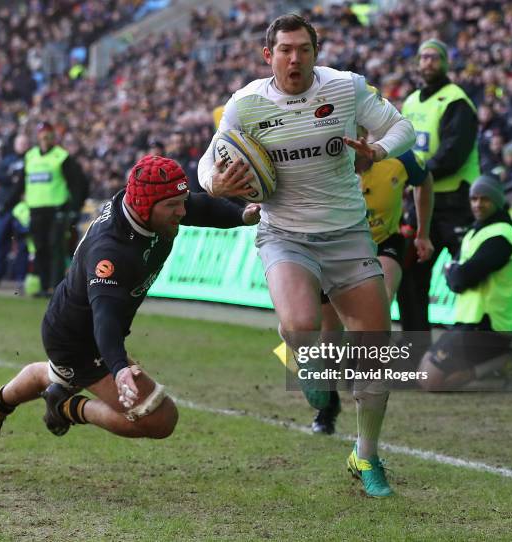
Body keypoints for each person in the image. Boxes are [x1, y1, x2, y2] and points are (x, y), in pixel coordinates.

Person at [198, 14, 416, 497]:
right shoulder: (247, 103)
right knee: (298, 326)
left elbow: (405, 130)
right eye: (285, 50)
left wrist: (376, 151)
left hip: (348, 234)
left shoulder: (345, 88)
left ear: (316, 51)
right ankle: (311, 370)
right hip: (285, 234)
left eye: (303, 49)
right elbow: (206, 163)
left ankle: (366, 454)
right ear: (267, 55)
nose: (294, 58)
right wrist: (215, 183)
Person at [0, 155, 261, 458]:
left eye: (181, 201)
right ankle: (67, 407)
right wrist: (118, 369)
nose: (181, 212)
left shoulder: (149, 206)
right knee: (160, 418)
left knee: (59, 373)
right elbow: (104, 319)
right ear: (146, 207)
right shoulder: (112, 251)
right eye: (172, 206)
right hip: (81, 339)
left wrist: (242, 216)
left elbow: (199, 206)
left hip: (73, 324)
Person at [313, 142, 434, 435]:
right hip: (334, 247)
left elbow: (425, 182)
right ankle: (327, 406)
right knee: (329, 330)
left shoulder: (399, 158)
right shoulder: (322, 159)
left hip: (384, 242)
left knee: (380, 301)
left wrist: (423, 233)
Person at [397, 39, 480, 333]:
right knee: (409, 281)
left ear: (446, 63)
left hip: (456, 204)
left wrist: (412, 175)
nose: (428, 62)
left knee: (468, 278)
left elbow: (451, 156)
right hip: (421, 205)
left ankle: (478, 351)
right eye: (424, 57)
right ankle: (417, 359)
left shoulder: (457, 102)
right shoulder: (410, 101)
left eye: (435, 57)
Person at [418, 175, 512, 391]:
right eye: (474, 199)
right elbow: (455, 277)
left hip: (489, 326)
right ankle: (492, 365)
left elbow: (460, 277)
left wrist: (456, 273)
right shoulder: (475, 231)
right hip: (468, 323)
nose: (477, 204)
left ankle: (502, 361)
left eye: (485, 199)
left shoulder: (501, 235)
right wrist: (456, 273)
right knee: (423, 370)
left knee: (431, 381)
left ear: (497, 200)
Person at [23, 122, 90, 297]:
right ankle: (44, 286)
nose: (45, 138)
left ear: (53, 136)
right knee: (40, 248)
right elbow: (21, 183)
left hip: (56, 210)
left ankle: (56, 287)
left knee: (55, 247)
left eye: (48, 134)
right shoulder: (30, 156)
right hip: (36, 210)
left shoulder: (61, 156)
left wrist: (74, 207)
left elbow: (78, 183)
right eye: (42, 134)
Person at [0, 133, 30, 289]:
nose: (22, 145)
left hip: (22, 209)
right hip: (5, 208)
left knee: (22, 244)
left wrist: (15, 178)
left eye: (25, 143)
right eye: (20, 142)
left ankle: (21, 278)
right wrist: (13, 177)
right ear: (15, 144)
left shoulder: (31, 159)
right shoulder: (7, 160)